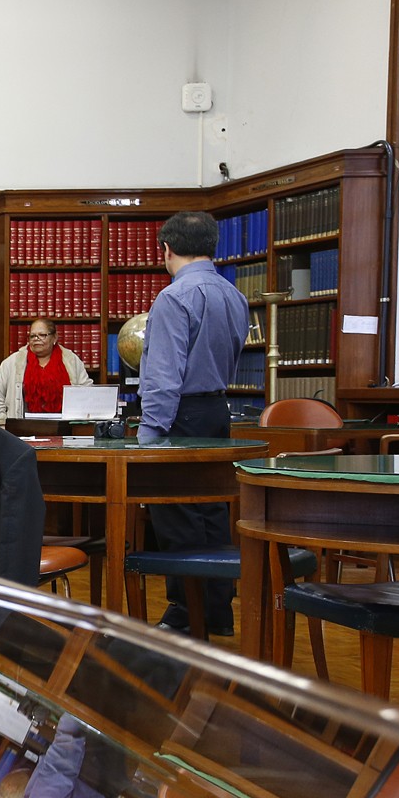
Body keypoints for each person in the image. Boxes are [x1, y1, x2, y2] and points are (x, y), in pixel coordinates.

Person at [137, 211, 246, 634]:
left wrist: (149, 436)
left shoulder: (174, 297)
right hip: (217, 410)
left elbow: (164, 376)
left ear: (166, 249)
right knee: (213, 511)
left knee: (176, 514)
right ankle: (217, 612)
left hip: (179, 415)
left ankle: (184, 614)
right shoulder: (232, 294)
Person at [0, 317, 91, 425]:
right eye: (32, 336)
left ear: (54, 337)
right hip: (23, 430)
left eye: (42, 335)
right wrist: (2, 424)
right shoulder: (13, 362)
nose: (36, 339)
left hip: (64, 428)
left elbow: (87, 393)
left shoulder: (71, 360)